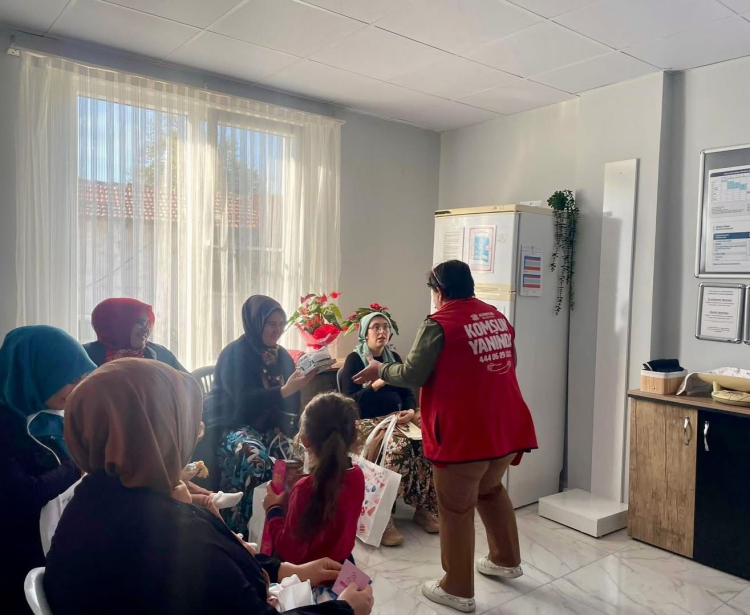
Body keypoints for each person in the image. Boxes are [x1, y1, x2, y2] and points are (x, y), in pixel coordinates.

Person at [44, 359, 374, 615]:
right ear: (156, 433)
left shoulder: (93, 498)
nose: (197, 430)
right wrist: (345, 609)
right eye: (184, 420)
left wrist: (286, 569)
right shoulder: (175, 539)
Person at [354, 260, 538, 614]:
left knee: (455, 507)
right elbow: (507, 364)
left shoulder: (439, 323)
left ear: (439, 291)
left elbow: (413, 373)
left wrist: (381, 369)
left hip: (465, 433)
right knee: (490, 489)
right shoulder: (496, 317)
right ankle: (505, 559)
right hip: (507, 426)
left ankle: (457, 588)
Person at [0, 325, 96, 613]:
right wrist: (79, 464)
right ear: (36, 374)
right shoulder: (6, 426)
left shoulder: (49, 416)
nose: (78, 388)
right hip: (18, 558)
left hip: (56, 535)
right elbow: (25, 494)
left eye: (82, 378)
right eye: (71, 379)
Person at [202, 295, 315, 533]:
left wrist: (294, 430)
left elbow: (292, 401)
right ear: (256, 322)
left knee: (302, 455)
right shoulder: (234, 354)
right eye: (271, 323)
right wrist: (284, 390)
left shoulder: (281, 356)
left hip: (269, 428)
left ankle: (282, 529)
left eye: (281, 324)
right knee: (256, 459)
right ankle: (238, 530)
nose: (277, 330)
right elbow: (243, 401)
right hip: (231, 425)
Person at [339, 311, 439, 547]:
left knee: (427, 443)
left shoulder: (392, 357)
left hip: (396, 420)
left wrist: (411, 411)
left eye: (385, 327)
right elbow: (350, 403)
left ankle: (423, 507)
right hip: (366, 422)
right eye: (376, 327)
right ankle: (382, 519)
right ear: (365, 333)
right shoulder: (354, 360)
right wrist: (378, 381)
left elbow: (407, 393)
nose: (382, 331)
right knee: (397, 448)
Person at [263, 392, 364, 564]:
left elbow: (291, 551)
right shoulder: (357, 476)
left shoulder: (304, 488)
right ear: (353, 437)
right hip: (343, 565)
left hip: (309, 573)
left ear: (305, 440)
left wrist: (273, 509)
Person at [83, 297, 186, 371]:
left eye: (148, 323)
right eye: (141, 322)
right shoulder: (84, 356)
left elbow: (189, 385)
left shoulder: (160, 353)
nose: (146, 329)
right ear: (119, 323)